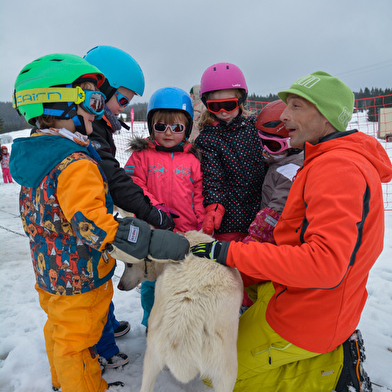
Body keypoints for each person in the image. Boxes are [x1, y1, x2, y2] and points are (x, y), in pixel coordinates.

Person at [191, 71, 392, 391]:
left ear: (325, 116)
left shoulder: (338, 169)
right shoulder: (325, 159)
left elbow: (324, 265)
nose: (284, 115)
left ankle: (333, 370)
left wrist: (229, 252)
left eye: (296, 106)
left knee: (218, 371)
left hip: (307, 314)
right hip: (296, 292)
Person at [9, 53, 189, 392]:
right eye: (93, 100)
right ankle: (84, 386)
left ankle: (63, 380)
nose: (100, 109)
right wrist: (150, 241)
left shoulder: (38, 154)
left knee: (60, 331)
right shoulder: (74, 162)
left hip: (52, 272)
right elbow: (93, 225)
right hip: (79, 275)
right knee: (78, 341)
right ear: (59, 106)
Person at [83, 45, 176, 370]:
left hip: (94, 218)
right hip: (82, 225)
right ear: (97, 89)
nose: (122, 108)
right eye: (121, 99)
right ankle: (103, 345)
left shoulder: (98, 126)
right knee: (90, 285)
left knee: (100, 276)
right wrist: (152, 213)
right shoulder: (86, 129)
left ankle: (105, 327)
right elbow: (115, 179)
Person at [124, 87, 206, 329]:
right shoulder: (141, 157)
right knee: (152, 282)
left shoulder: (192, 160)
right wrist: (155, 207)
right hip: (153, 233)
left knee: (183, 281)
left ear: (187, 129)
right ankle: (153, 323)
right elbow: (132, 184)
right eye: (161, 127)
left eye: (177, 127)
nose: (169, 133)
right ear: (152, 127)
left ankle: (180, 325)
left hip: (185, 233)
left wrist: (202, 224)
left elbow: (199, 195)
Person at [195, 62, 268, 243]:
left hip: (261, 218)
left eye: (229, 105)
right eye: (215, 106)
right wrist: (215, 207)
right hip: (229, 221)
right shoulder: (207, 139)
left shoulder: (255, 128)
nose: (222, 112)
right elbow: (213, 178)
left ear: (241, 100)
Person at [242, 99, 304, 245]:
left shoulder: (291, 170)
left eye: (272, 145)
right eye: (261, 142)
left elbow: (276, 211)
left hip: (277, 239)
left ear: (293, 144)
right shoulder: (279, 162)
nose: (265, 150)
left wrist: (254, 239)